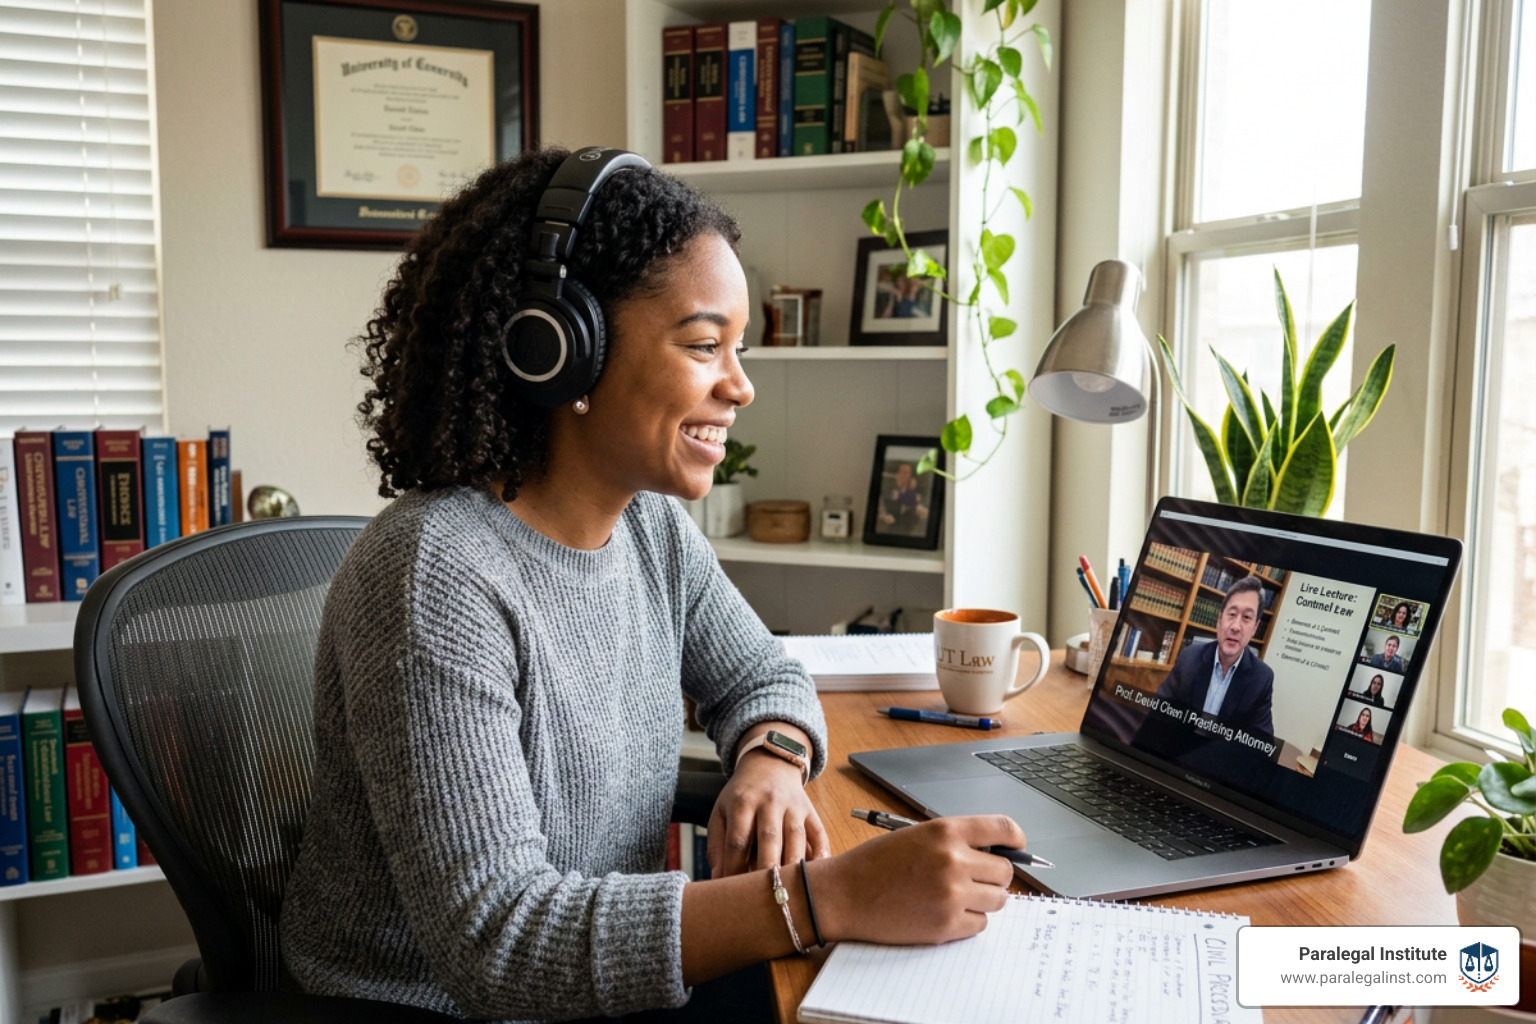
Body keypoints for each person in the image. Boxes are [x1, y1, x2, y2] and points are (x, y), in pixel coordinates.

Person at [278, 147, 1026, 1023]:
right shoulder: (433, 576)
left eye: (739, 349)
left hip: (599, 990)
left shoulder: (649, 528)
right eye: (705, 346)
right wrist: (830, 897)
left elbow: (765, 675)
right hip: (445, 1008)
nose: (741, 387)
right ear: (560, 349)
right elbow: (499, 942)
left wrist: (773, 763)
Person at [1154, 575, 1275, 736]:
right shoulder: (1189, 658)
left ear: (1255, 628)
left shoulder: (1261, 678)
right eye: (1232, 614)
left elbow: (1260, 742)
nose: (1235, 627)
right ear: (1219, 620)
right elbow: (1158, 711)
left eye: (1246, 617)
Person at [878, 462, 929, 536]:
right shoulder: (888, 489)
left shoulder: (915, 492)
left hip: (909, 527)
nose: (904, 475)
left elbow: (918, 502)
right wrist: (884, 516)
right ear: (897, 474)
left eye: (907, 473)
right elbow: (888, 500)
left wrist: (911, 490)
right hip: (892, 526)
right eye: (902, 472)